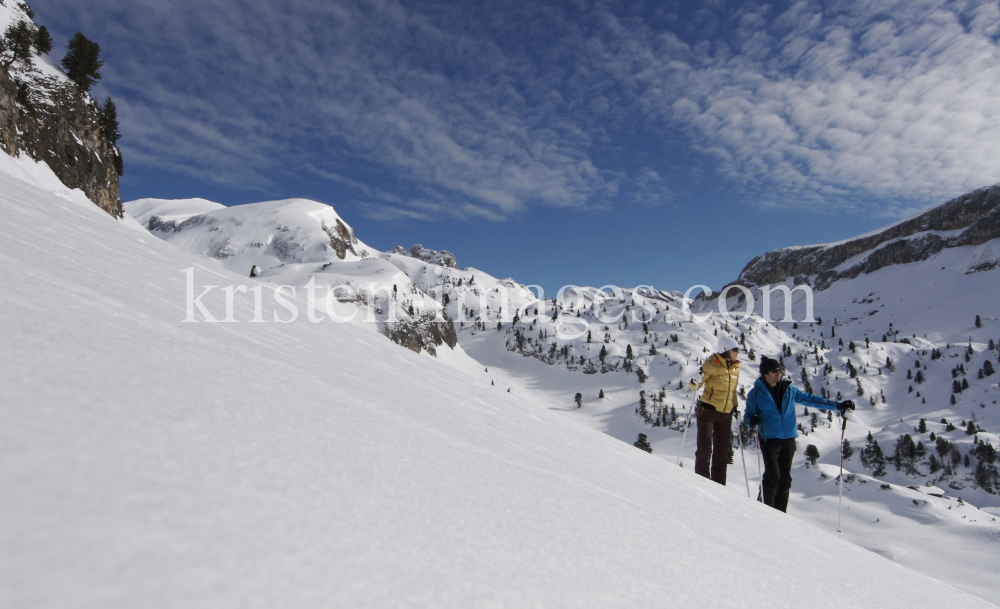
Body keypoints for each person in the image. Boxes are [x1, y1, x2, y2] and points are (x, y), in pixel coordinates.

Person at [744, 356, 855, 512]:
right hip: (769, 439)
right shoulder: (755, 394)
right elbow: (748, 415)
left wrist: (838, 405)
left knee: (785, 479)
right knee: (772, 476)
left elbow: (812, 400)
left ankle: (779, 514)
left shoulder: (788, 389)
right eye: (774, 370)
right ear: (765, 374)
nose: (778, 373)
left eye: (779, 370)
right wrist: (752, 420)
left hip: (788, 439)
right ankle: (763, 510)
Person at [688, 336, 742, 485]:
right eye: (735, 349)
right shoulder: (711, 364)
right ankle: (703, 485)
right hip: (708, 412)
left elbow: (732, 390)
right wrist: (695, 380)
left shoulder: (736, 367)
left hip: (726, 414)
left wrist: (735, 406)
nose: (738, 352)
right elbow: (694, 387)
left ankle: (719, 490)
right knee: (704, 452)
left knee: (721, 454)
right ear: (725, 350)